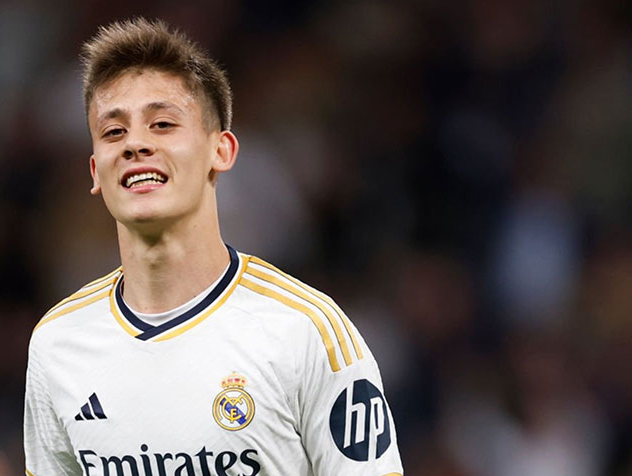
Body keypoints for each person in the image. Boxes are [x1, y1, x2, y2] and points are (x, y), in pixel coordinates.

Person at [24, 18, 404, 476]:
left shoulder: (305, 332)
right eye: (113, 132)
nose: (135, 144)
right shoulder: (57, 344)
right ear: (95, 172)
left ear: (221, 151)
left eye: (162, 124)